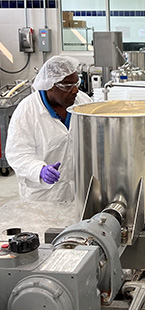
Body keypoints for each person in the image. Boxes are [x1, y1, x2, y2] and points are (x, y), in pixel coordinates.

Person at [6, 55, 91, 201]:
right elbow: (17, 154)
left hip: (79, 191)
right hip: (44, 196)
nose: (75, 90)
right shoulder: (27, 111)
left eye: (77, 83)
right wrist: (40, 170)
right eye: (68, 86)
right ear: (50, 85)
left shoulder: (83, 102)